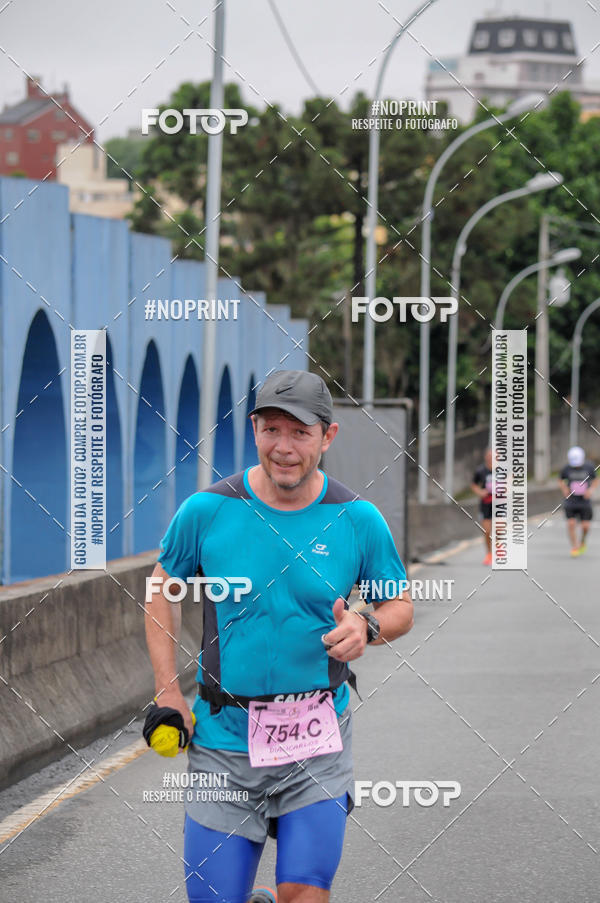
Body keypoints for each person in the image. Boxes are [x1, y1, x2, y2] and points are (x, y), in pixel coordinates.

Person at [144, 369, 414, 903]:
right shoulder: (207, 511)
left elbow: (400, 604)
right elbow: (160, 593)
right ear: (254, 430)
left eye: (300, 433)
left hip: (316, 735)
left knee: (304, 894)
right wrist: (167, 690)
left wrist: (367, 624)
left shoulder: (357, 519)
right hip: (223, 739)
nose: (284, 448)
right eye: (271, 430)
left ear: (327, 436)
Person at [559, 445, 598, 556]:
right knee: (571, 523)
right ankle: (575, 547)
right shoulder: (566, 468)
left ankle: (582, 541)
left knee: (585, 526)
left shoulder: (589, 467)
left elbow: (595, 480)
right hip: (571, 501)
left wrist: (590, 490)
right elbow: (560, 479)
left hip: (584, 501)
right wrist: (565, 489)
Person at [471, 448, 494, 566]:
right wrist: (480, 492)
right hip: (485, 504)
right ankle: (489, 553)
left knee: (499, 529)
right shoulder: (480, 471)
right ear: (486, 457)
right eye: (489, 456)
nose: (491, 458)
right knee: (487, 531)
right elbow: (474, 485)